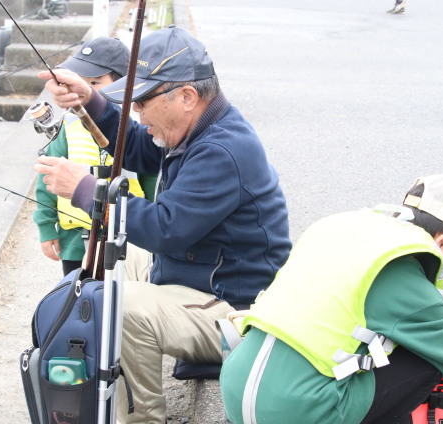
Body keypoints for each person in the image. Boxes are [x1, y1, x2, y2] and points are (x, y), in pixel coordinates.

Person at [35, 25, 292, 423]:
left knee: (121, 306)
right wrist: (91, 102)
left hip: (238, 312)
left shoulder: (223, 149)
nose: (137, 113)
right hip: (200, 280)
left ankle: (142, 418)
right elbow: (140, 146)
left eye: (142, 103)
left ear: (186, 97)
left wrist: (85, 190)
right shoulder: (200, 127)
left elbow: (164, 229)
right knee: (113, 252)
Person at [220, 174, 443, 424]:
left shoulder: (337, 229)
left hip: (236, 391)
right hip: (296, 412)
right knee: (427, 361)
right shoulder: (399, 270)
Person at [33, 37, 155, 276]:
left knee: (119, 303)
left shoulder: (138, 131)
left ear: (122, 84)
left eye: (95, 83)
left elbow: (153, 183)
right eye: (78, 82)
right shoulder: (66, 128)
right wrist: (47, 227)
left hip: (127, 241)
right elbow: (46, 179)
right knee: (78, 302)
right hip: (75, 242)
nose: (84, 90)